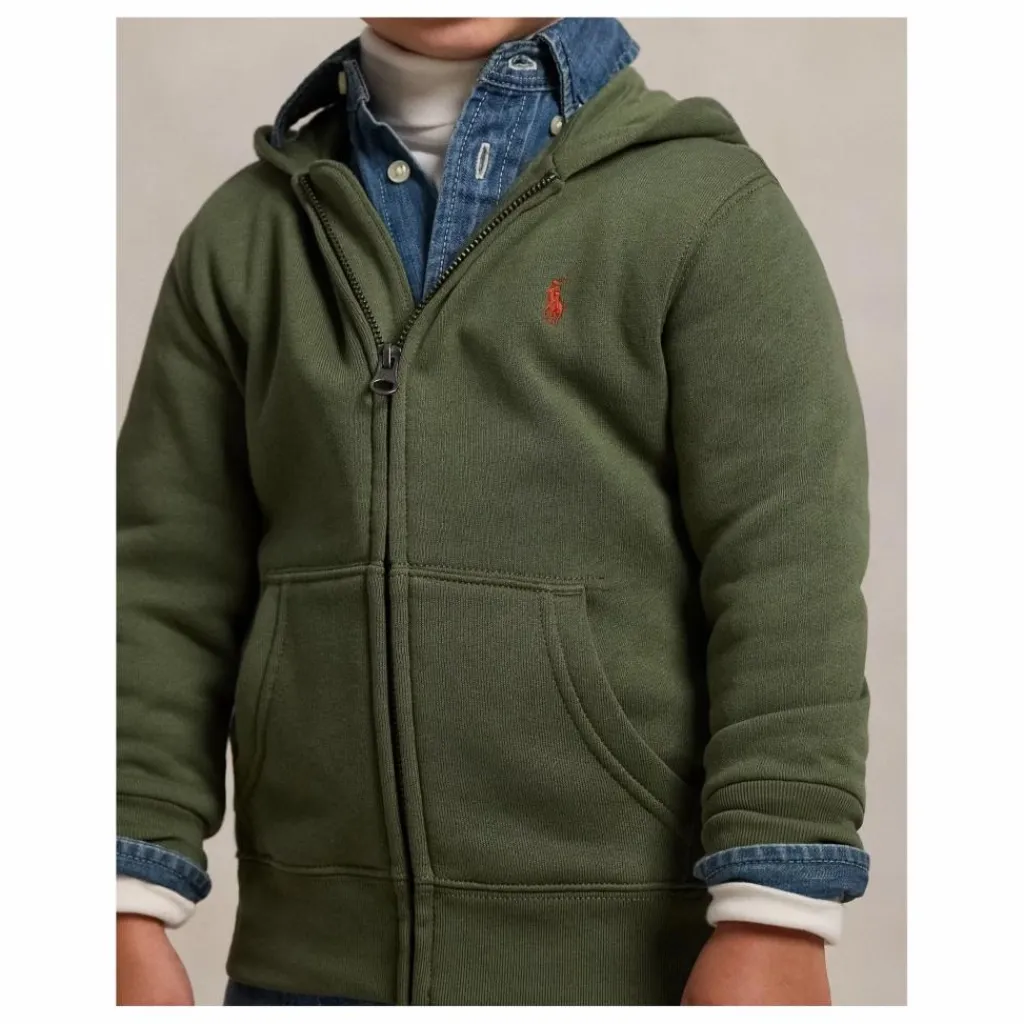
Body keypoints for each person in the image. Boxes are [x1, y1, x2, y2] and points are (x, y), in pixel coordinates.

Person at [116, 17, 871, 1006]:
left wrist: (778, 904)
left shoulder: (703, 211)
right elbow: (160, 586)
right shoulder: (246, 237)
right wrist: (117, 889)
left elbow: (789, 578)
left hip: (630, 968)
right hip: (304, 969)